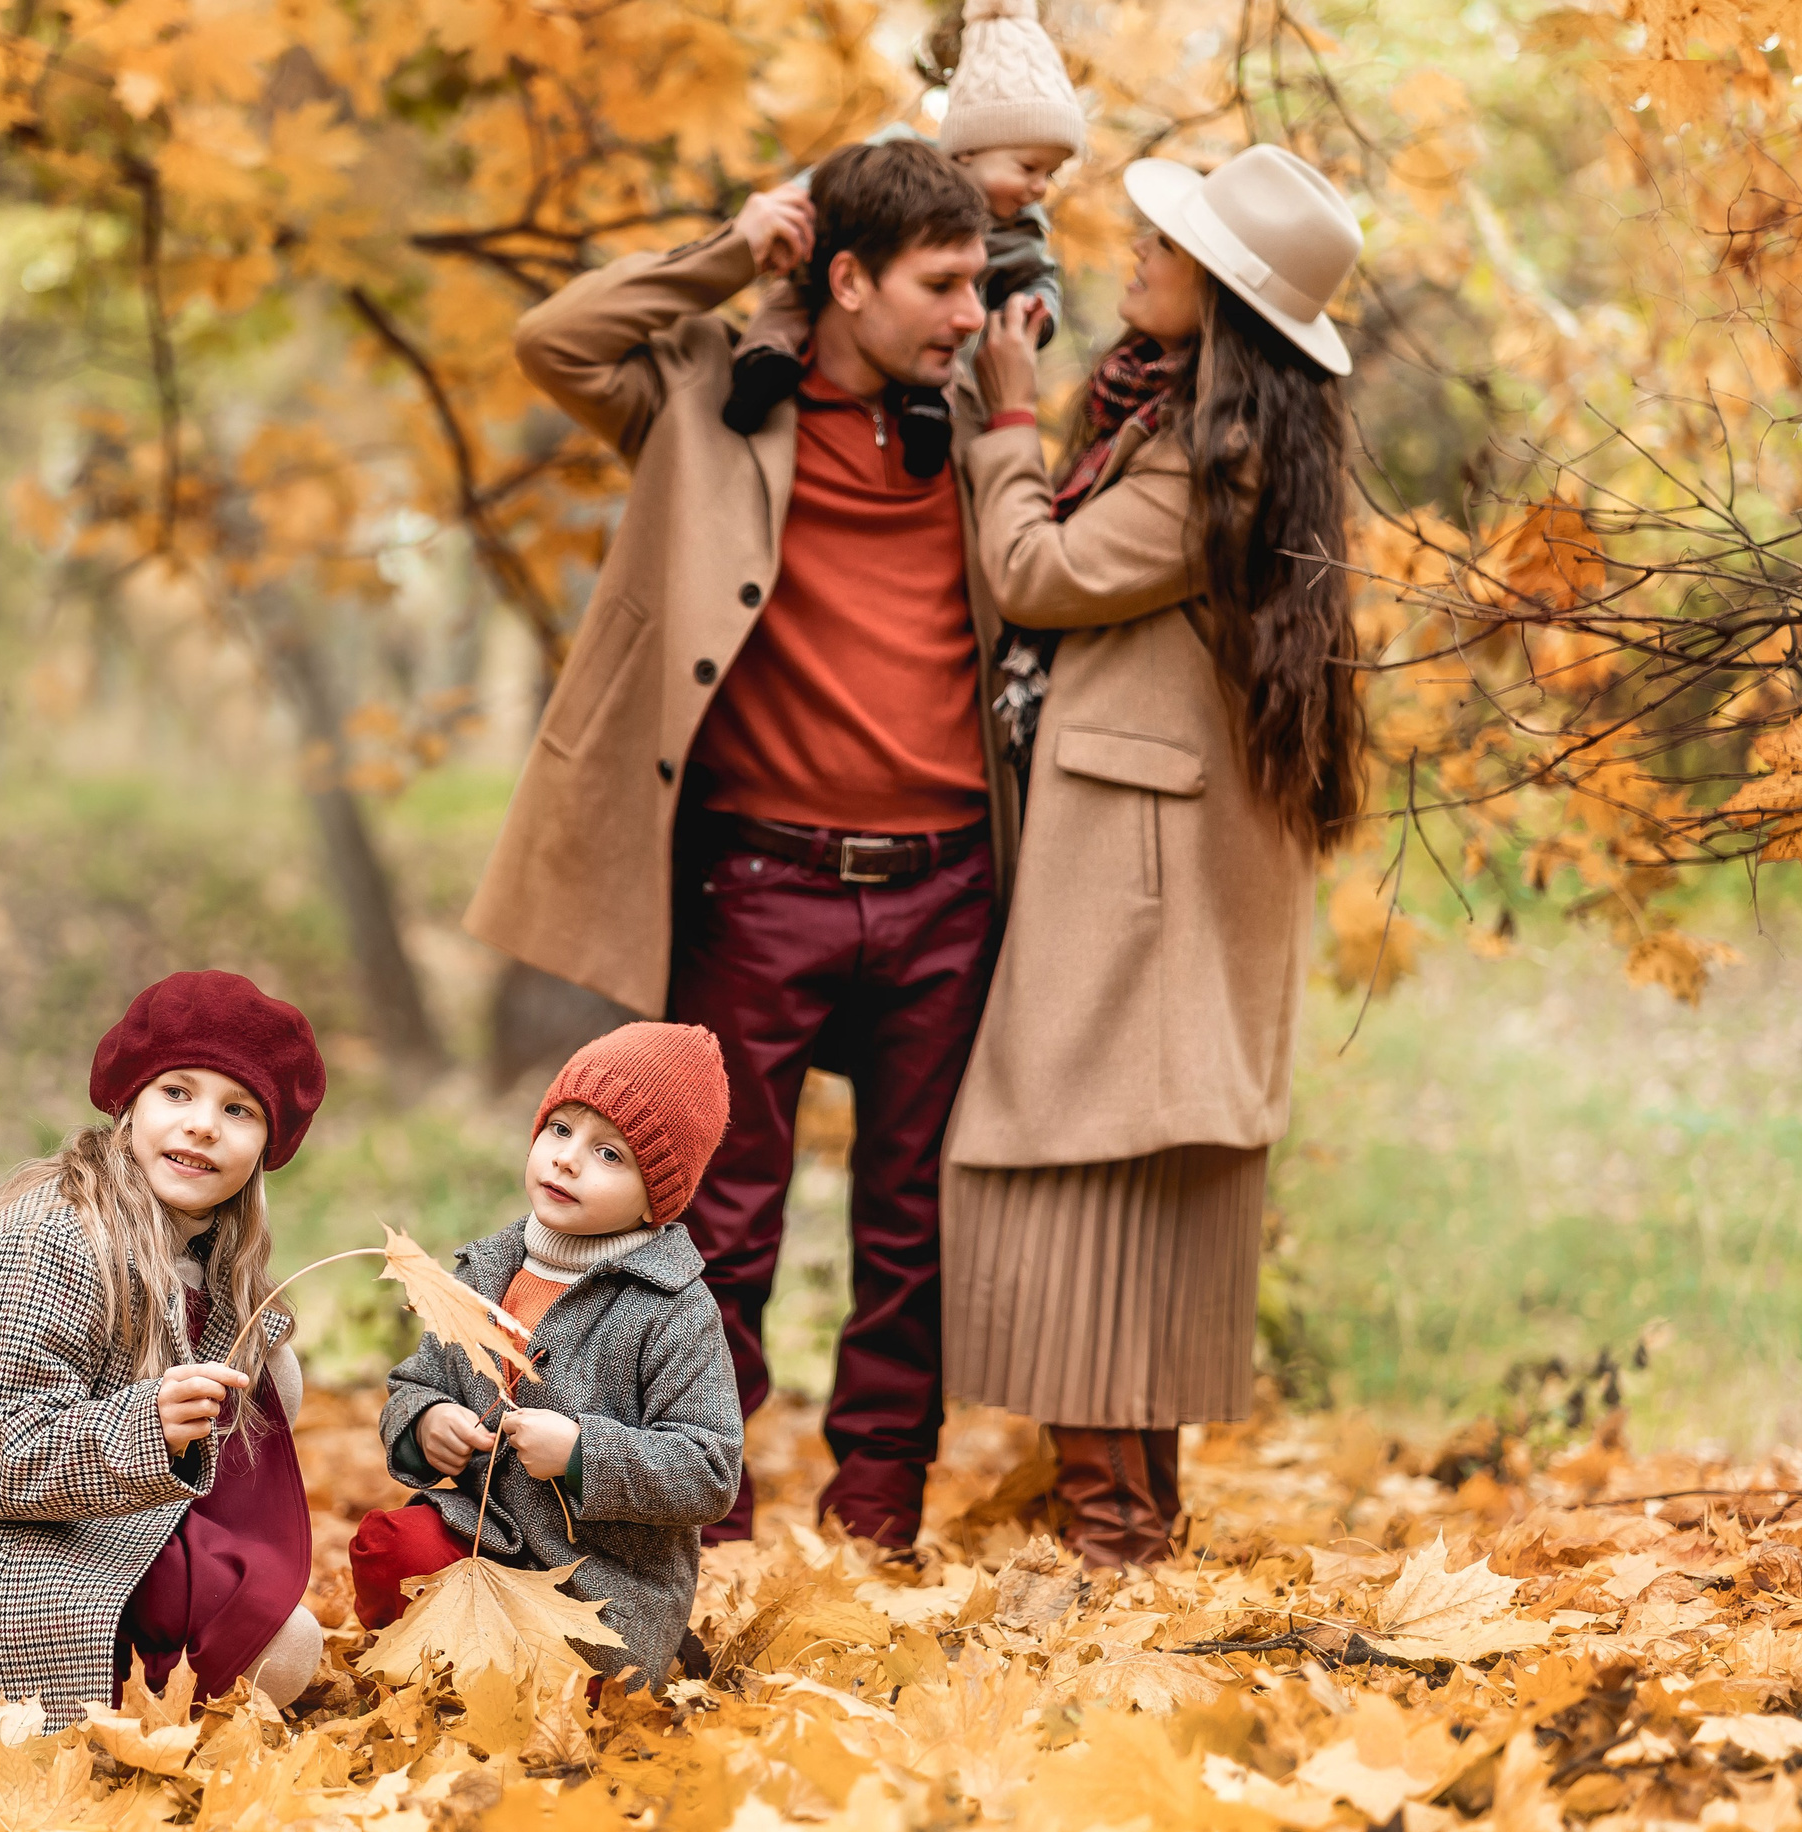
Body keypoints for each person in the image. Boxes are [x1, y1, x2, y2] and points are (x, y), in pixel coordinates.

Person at [466, 139, 1014, 1548]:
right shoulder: (706, 394)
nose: (970, 311)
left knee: (914, 1224)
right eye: (941, 283)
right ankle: (704, 1514)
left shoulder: (977, 428)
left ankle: (878, 1516)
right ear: (844, 278)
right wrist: (726, 251)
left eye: (978, 280)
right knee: (721, 1222)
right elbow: (555, 338)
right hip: (756, 878)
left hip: (951, 877)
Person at [942, 144, 1368, 1566]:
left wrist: (1005, 423)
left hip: (1145, 867)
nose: (1135, 253)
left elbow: (1038, 577)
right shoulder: (1185, 425)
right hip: (1149, 854)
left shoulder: (1204, 458)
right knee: (1108, 1178)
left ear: (1226, 304)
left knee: (1081, 1167)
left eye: (1165, 247)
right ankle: (1131, 1530)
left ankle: (1117, 1537)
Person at [0, 970, 330, 1775]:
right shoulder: (51, 1238)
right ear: (129, 1104)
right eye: (177, 1092)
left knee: (273, 1390)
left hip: (69, 1524)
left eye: (237, 1109)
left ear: (268, 1144)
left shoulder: (198, 1243)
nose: (202, 1127)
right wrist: (145, 1425)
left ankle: (153, 1700)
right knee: (284, 1646)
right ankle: (102, 1726)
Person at [349, 1023, 742, 1690]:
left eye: (610, 1155)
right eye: (559, 1130)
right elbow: (412, 1382)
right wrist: (425, 1422)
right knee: (390, 1547)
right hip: (481, 1537)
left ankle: (534, 1689)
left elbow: (710, 1468)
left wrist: (586, 1452)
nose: (566, 1159)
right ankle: (441, 1678)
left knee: (580, 1673)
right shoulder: (483, 1271)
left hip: (598, 1581)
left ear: (660, 1196)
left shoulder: (671, 1306)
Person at [723, 0, 1086, 441]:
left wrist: (1037, 310)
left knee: (961, 334)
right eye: (1028, 168)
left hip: (935, 350)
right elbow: (833, 181)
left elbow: (1039, 274)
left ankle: (931, 412)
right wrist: (781, 212)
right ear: (969, 147)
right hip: (838, 281)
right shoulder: (902, 162)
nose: (1040, 188)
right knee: (793, 299)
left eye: (1050, 174)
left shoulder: (1022, 226)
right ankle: (763, 362)